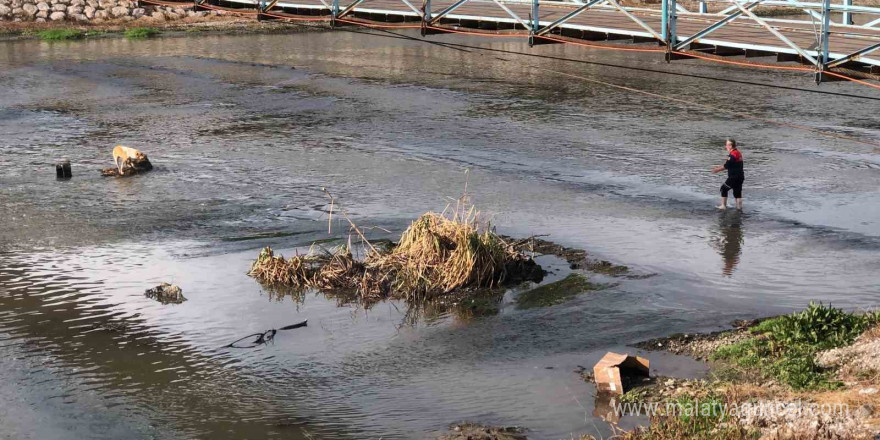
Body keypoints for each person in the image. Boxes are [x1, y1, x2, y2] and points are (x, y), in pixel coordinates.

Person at [712, 138, 744, 210]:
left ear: (730, 146)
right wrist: (720, 167)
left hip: (733, 177)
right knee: (737, 193)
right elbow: (731, 164)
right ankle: (739, 208)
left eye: (726, 145)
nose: (725, 146)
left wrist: (717, 170)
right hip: (740, 177)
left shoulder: (732, 154)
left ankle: (723, 206)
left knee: (723, 189)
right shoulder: (738, 153)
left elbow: (727, 166)